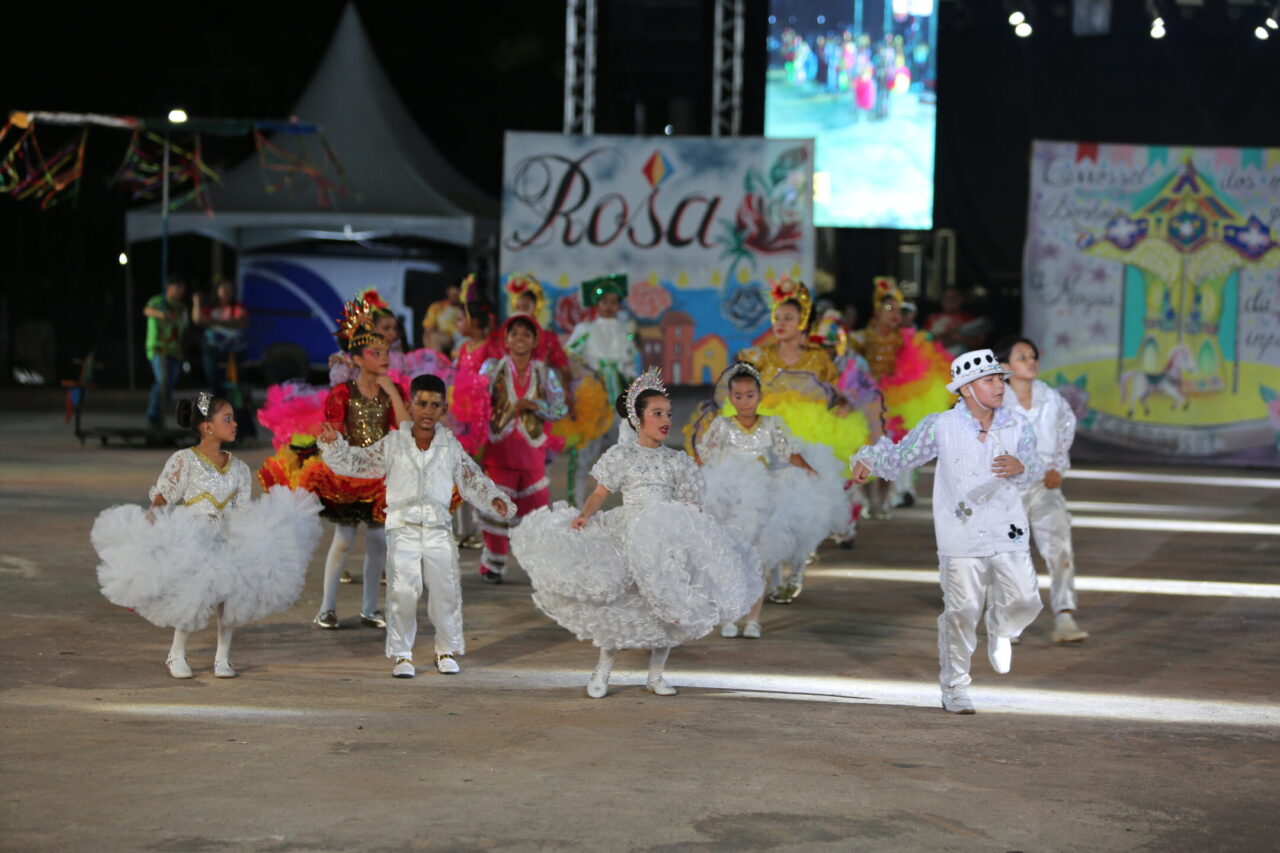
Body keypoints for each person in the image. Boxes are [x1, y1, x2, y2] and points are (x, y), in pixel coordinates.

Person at [511, 369, 762, 698]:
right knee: (622, 601)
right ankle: (603, 670)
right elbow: (600, 492)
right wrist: (585, 515)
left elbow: (691, 503)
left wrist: (696, 534)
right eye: (657, 414)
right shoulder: (622, 455)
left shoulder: (677, 461)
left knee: (668, 607)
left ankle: (655, 675)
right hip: (629, 531)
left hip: (666, 537)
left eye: (668, 414)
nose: (666, 420)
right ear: (637, 419)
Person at [852, 349, 1044, 714]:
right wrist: (869, 459)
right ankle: (955, 686)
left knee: (1026, 600)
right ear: (967, 389)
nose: (998, 386)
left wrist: (1021, 466)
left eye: (999, 379)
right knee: (962, 611)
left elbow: (1035, 467)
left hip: (1008, 528)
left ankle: (1001, 626)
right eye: (989, 380)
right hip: (961, 531)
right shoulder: (941, 425)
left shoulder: (1018, 424)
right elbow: (902, 455)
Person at [92, 392, 322, 678]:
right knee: (192, 593)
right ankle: (177, 653)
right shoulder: (185, 460)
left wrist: (252, 536)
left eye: (233, 419)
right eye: (228, 419)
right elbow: (164, 496)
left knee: (230, 597)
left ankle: (223, 657)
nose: (235, 424)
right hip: (193, 538)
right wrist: (150, 526)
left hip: (229, 538)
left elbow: (241, 508)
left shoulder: (239, 468)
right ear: (207, 426)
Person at [317, 374, 513, 677]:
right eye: (421, 403)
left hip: (438, 529)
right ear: (410, 405)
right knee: (403, 592)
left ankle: (445, 649)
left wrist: (493, 498)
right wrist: (335, 448)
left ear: (444, 408)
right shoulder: (394, 443)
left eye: (435, 405)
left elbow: (472, 478)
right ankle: (402, 654)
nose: (427, 411)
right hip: (403, 528)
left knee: (445, 590)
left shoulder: (449, 446)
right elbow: (359, 462)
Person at [725, 276, 872, 602]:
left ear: (803, 321)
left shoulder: (819, 358)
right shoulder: (758, 356)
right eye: (777, 317)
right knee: (769, 507)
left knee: (805, 509)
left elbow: (835, 394)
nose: (780, 324)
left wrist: (843, 406)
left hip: (810, 441)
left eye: (788, 318)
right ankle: (775, 574)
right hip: (769, 441)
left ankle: (799, 569)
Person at [695, 363, 845, 639]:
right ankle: (731, 616)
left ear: (760, 396)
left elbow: (788, 453)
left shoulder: (771, 425)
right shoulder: (721, 426)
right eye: (738, 396)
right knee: (732, 559)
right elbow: (705, 456)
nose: (744, 401)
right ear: (730, 399)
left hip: (763, 496)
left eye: (749, 395)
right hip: (729, 500)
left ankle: (753, 620)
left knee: (758, 560)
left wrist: (810, 471)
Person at [298, 298, 409, 629]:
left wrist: (392, 392)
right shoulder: (342, 392)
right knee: (344, 539)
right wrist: (331, 440)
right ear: (357, 359)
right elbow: (333, 431)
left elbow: (405, 428)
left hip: (380, 476)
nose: (384, 358)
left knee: (378, 542)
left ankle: (369, 609)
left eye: (385, 352)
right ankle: (326, 608)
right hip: (347, 475)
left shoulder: (392, 389)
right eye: (376, 353)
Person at [995, 336, 1089, 644]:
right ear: (1005, 366)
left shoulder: (1051, 398)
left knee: (1060, 546)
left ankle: (1065, 617)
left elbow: (1066, 429)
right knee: (1008, 553)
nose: (1031, 361)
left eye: (1033, 356)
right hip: (1008, 489)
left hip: (1044, 485)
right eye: (1022, 357)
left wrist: (1058, 468)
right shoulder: (995, 401)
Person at [849, 279, 954, 518]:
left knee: (888, 449)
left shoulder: (904, 338)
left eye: (897, 310)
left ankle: (883, 501)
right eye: (889, 309)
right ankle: (868, 500)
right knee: (864, 447)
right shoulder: (861, 338)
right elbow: (851, 369)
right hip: (865, 399)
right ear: (877, 311)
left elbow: (916, 364)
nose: (894, 315)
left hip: (893, 402)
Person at [476, 315, 567, 583]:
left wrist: (536, 406)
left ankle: (539, 566)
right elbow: (476, 401)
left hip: (531, 452)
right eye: (514, 334)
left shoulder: (544, 373)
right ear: (505, 340)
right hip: (499, 449)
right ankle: (493, 565)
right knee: (495, 508)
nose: (520, 339)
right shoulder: (492, 368)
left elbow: (560, 408)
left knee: (537, 512)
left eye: (526, 334)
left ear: (535, 341)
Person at [566, 275, 639, 506]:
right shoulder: (586, 329)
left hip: (620, 395)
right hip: (593, 395)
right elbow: (569, 354)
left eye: (614, 302)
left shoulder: (625, 330)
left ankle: (635, 504)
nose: (609, 306)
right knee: (585, 449)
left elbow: (630, 362)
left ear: (618, 305)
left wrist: (634, 387)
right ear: (596, 304)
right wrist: (586, 373)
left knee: (629, 449)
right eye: (604, 301)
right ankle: (575, 504)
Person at [192, 280, 248, 401]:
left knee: (235, 381)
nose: (227, 292)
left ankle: (233, 405)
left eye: (230, 290)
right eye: (224, 289)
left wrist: (214, 322)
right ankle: (206, 407)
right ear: (217, 291)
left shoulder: (236, 307)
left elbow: (242, 322)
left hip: (233, 349)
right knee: (212, 381)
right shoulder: (210, 307)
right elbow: (198, 320)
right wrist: (196, 302)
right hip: (212, 348)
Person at [143, 280, 188, 428]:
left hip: (175, 350)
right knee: (162, 380)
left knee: (169, 384)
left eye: (182, 288)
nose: (180, 291)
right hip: (158, 348)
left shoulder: (182, 307)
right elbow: (146, 310)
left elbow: (184, 326)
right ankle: (153, 417)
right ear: (168, 287)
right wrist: (161, 314)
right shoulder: (158, 301)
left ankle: (160, 416)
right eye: (177, 287)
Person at [421, 282, 464, 356]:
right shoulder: (437, 307)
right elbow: (428, 327)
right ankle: (437, 359)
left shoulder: (463, 308)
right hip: (442, 337)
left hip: (458, 336)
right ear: (448, 292)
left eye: (457, 295)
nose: (454, 298)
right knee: (430, 336)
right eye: (452, 295)